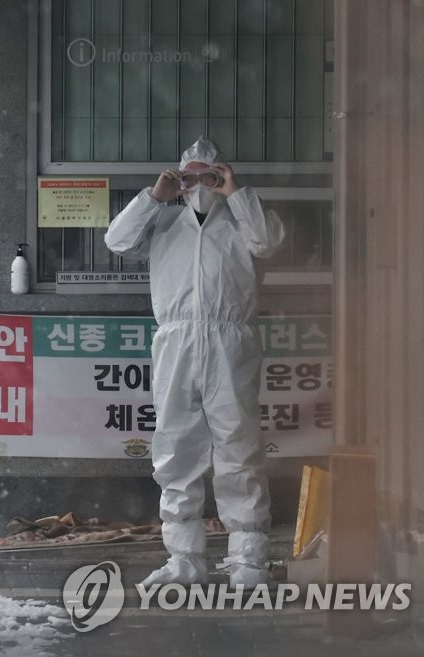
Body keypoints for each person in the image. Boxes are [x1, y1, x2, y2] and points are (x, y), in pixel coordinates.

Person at [104, 137, 285, 588]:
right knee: (175, 448)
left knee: (238, 449)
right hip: (177, 340)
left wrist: (236, 194)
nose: (200, 184)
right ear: (178, 180)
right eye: (191, 177)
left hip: (231, 340)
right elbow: (117, 240)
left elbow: (269, 243)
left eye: (210, 175)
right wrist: (153, 197)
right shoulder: (163, 217)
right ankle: (184, 559)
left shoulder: (240, 216)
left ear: (222, 175)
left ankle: (248, 561)